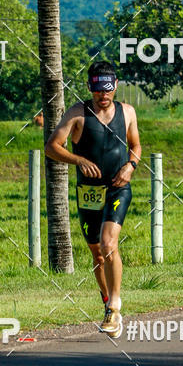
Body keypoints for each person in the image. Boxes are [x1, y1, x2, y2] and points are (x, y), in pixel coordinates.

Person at [45, 61, 141, 337]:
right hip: (89, 193)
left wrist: (131, 166)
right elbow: (52, 146)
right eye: (98, 89)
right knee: (98, 254)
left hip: (117, 188)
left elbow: (135, 145)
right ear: (89, 87)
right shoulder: (78, 113)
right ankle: (107, 301)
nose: (103, 95)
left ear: (116, 86)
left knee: (109, 244)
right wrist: (79, 160)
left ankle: (114, 307)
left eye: (108, 89)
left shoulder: (128, 112)